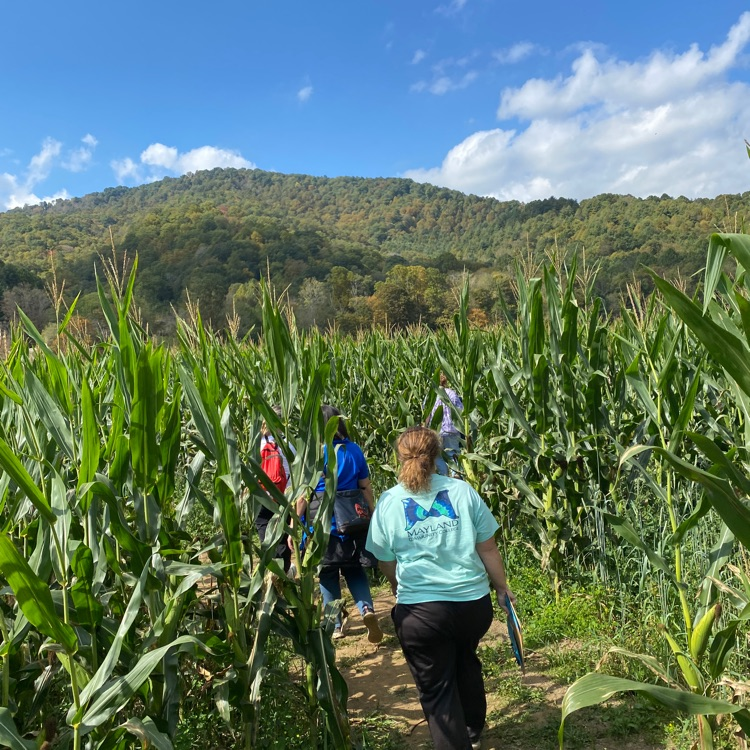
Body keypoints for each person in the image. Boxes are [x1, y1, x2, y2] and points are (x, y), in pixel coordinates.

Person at [366, 425, 514, 750]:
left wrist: (396, 585)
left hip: (420, 615)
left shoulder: (390, 502)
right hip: (472, 606)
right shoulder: (462, 492)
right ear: (437, 456)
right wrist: (502, 588)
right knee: (465, 659)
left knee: (437, 689)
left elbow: (385, 561)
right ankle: (473, 730)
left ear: (399, 457)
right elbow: (487, 548)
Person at [291, 405, 383, 643]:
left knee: (328, 573)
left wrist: (293, 524)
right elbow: (365, 486)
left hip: (323, 523)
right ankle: (366, 609)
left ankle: (335, 624)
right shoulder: (353, 450)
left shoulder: (314, 454)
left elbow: (303, 495)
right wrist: (372, 514)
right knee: (354, 568)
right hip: (353, 519)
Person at [255, 406, 295, 572]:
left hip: (262, 499)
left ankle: (271, 577)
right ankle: (284, 578)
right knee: (282, 542)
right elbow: (295, 474)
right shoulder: (289, 446)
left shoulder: (256, 445)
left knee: (266, 541)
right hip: (283, 498)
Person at [427, 372, 463, 475]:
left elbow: (427, 414)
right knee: (453, 455)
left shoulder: (431, 395)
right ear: (445, 382)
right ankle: (456, 477)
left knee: (438, 456)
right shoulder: (452, 393)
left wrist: (425, 428)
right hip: (452, 430)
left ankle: (444, 478)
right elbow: (460, 411)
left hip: (436, 431)